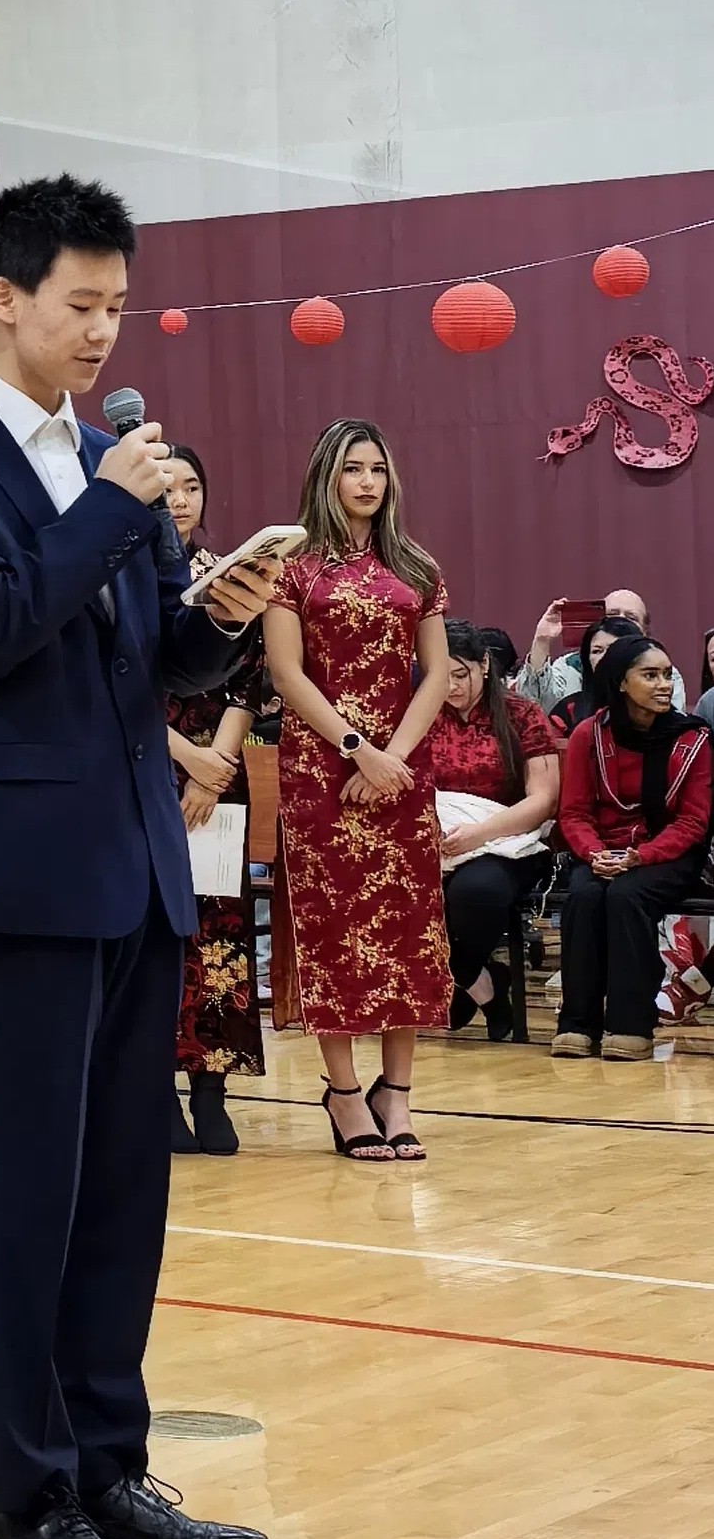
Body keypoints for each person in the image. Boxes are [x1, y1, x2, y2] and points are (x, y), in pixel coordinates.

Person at [0, 175, 282, 1539]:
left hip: (133, 861)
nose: (104, 332)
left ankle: (111, 1463)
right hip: (23, 875)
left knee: (122, 1185)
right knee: (25, 1192)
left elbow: (146, 659)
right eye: (79, 305)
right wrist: (113, 513)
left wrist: (211, 620)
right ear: (5, 297)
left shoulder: (108, 455)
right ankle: (27, 1492)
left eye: (116, 305)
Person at [265, 418, 453, 1164]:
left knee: (406, 930)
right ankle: (344, 1094)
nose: (367, 481)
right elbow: (286, 675)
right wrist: (356, 750)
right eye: (352, 468)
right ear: (326, 477)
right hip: (321, 771)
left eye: (377, 467)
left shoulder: (415, 567)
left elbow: (435, 672)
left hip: (402, 773)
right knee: (335, 930)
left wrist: (393, 757)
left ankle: (396, 1094)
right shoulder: (294, 567)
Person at [154, 443, 261, 1156]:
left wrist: (214, 764)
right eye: (167, 488)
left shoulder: (231, 575)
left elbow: (250, 679)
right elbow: (121, 684)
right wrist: (184, 756)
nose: (180, 500)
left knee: (216, 933)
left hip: (217, 772)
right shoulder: (130, 574)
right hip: (147, 761)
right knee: (155, 935)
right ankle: (153, 1092)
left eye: (191, 487)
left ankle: (211, 1091)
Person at [552, 633, 712, 1059]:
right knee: (584, 895)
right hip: (604, 848)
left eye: (666, 675)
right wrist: (593, 854)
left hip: (670, 851)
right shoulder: (590, 734)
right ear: (622, 683)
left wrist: (642, 856)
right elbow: (574, 813)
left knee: (628, 895)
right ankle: (577, 1024)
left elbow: (694, 821)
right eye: (650, 675)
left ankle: (631, 1026)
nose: (663, 684)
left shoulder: (692, 738)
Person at [426, 624, 559, 1041]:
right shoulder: (422, 713)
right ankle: (488, 989)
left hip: (507, 841)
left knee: (475, 892)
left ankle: (467, 977)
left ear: (485, 665)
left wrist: (479, 834)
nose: (451, 687)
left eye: (460, 674)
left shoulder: (521, 714)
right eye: (440, 675)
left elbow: (543, 801)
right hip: (439, 836)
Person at [521, 590, 684, 715]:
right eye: (611, 615)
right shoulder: (570, 666)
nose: (619, 622)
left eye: (631, 617)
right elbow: (532, 706)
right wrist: (542, 640)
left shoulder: (664, 674)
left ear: (645, 631)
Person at [550, 616, 645, 735]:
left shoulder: (654, 706)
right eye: (597, 651)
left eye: (613, 648)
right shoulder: (569, 710)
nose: (604, 657)